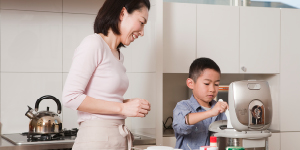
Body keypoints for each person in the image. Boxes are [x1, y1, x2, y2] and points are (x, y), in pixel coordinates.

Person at [62, 0, 151, 150]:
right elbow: (70, 97)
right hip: (96, 141)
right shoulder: (93, 44)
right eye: (141, 22)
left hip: (117, 139)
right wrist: (122, 108)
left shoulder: (118, 55)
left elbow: (102, 97)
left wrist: (128, 103)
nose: (142, 32)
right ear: (123, 13)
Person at [172, 57, 228, 150]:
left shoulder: (221, 111)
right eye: (206, 83)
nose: (212, 89)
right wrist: (211, 112)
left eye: (216, 84)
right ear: (190, 83)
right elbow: (182, 124)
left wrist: (231, 114)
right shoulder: (183, 106)